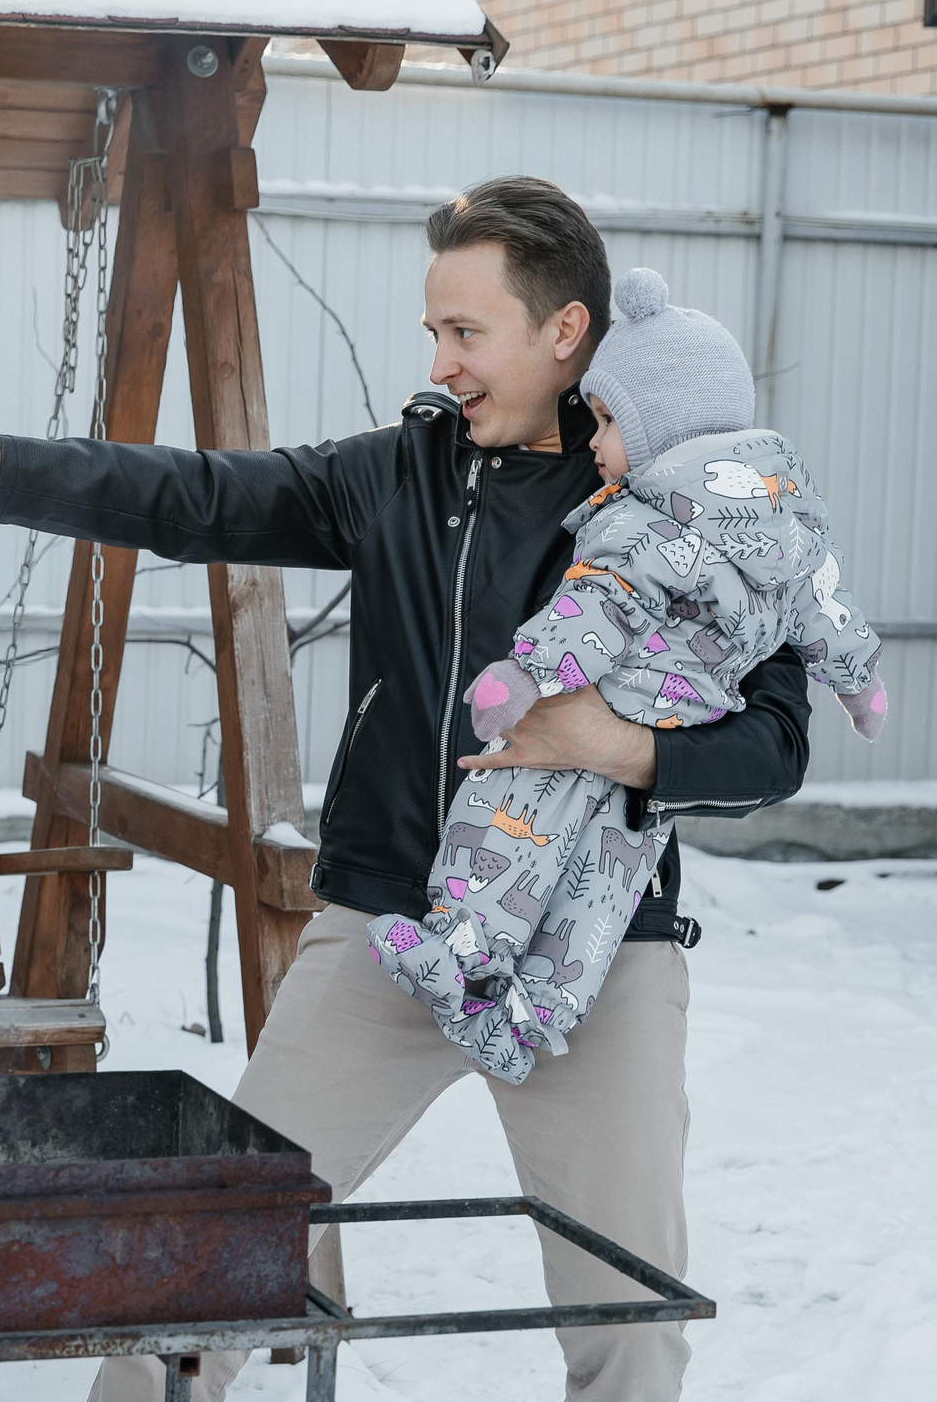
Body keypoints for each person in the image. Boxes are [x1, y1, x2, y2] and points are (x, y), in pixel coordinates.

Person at [0, 177, 810, 1402]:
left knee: (630, 1292)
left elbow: (776, 742)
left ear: (566, 331)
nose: (439, 359)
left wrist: (616, 746)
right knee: (218, 1250)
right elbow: (196, 494)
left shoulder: (680, 493)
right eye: (434, 329)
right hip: (389, 925)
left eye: (465, 331)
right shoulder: (400, 477)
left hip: (593, 949)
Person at [376, 265, 886, 1084]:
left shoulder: (643, 522)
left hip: (604, 706)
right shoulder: (789, 523)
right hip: (667, 746)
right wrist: (859, 685)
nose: (595, 441)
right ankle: (533, 1016)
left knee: (505, 825)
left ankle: (458, 954)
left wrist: (523, 677)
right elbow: (826, 609)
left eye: (609, 422)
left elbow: (595, 607)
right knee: (600, 892)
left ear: (667, 430)